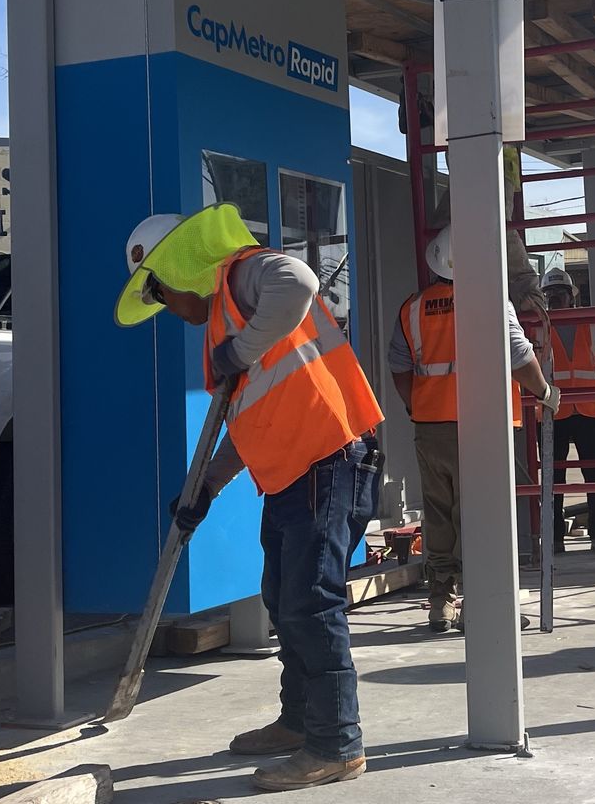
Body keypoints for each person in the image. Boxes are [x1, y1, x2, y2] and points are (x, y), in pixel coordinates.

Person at [117, 204, 384, 792]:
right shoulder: (227, 322)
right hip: (293, 472)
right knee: (283, 598)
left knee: (310, 605)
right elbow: (248, 424)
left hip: (326, 458)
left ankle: (336, 743)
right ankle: (299, 723)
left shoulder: (241, 276)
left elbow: (299, 280)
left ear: (182, 267)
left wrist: (237, 352)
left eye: (161, 291)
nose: (167, 306)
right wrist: (206, 486)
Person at [390, 226, 559, 632]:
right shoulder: (488, 301)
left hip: (431, 427)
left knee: (438, 514)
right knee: (480, 516)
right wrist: (545, 391)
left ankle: (440, 602)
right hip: (484, 427)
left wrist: (416, 404)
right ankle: (479, 605)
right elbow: (519, 357)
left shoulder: (412, 308)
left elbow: (399, 364)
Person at [538, 267, 595, 553]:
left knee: (594, 473)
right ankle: (555, 536)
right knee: (553, 477)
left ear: (571, 297)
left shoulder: (590, 325)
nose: (554, 299)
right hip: (552, 413)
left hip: (586, 410)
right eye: (549, 295)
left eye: (559, 294)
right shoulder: (537, 327)